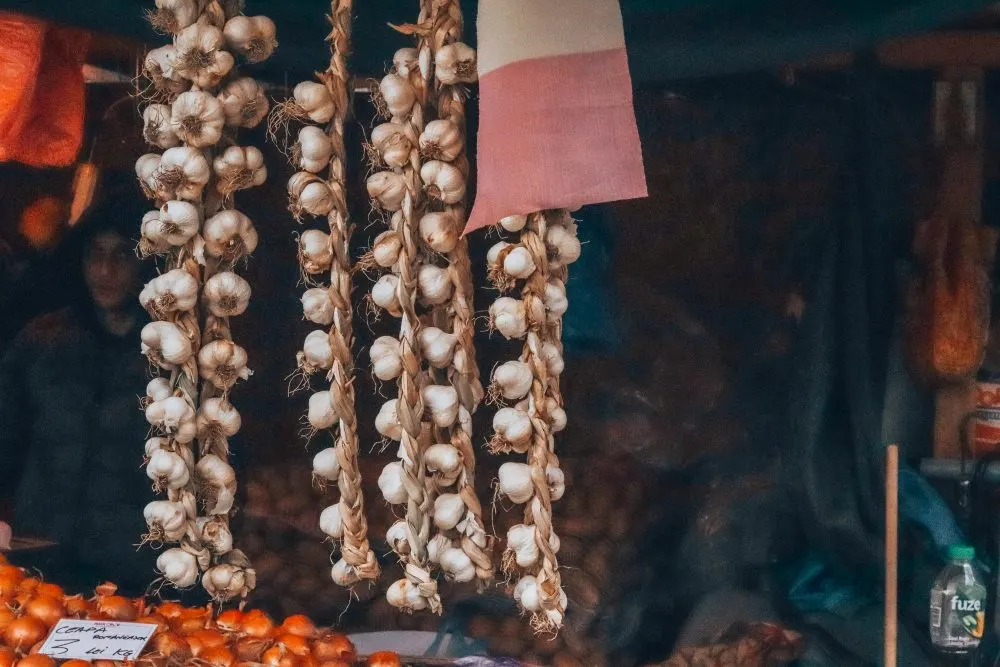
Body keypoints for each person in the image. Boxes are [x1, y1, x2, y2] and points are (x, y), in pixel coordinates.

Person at [0, 191, 156, 594]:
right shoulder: (44, 340)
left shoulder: (170, 351)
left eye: (122, 255)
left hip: (135, 566)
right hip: (42, 553)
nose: (105, 270)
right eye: (94, 254)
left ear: (146, 262)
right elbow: (5, 432)